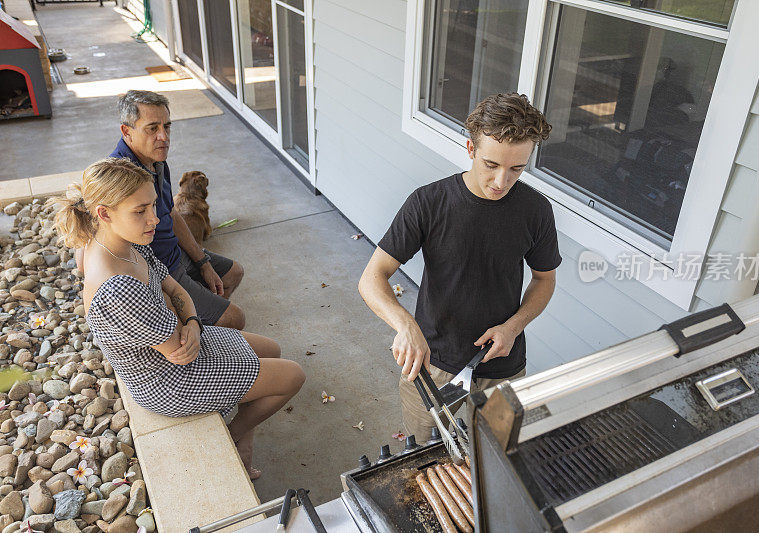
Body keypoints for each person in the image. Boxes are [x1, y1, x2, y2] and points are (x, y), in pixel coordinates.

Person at [50, 158, 305, 479]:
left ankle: (240, 422)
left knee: (272, 349)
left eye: (153, 205)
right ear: (104, 213)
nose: (154, 219)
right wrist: (184, 320)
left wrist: (193, 323)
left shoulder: (124, 243)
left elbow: (174, 289)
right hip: (167, 382)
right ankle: (236, 433)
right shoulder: (117, 287)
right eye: (140, 210)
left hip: (181, 345)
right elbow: (178, 351)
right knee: (293, 376)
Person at [358, 93, 561, 439]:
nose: (501, 182)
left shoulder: (536, 210)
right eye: (491, 165)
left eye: (517, 168)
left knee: (496, 459)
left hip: (504, 365)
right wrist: (405, 325)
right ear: (470, 149)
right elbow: (371, 278)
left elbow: (544, 280)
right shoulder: (428, 202)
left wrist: (513, 327)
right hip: (433, 363)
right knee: (426, 458)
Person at [77, 90, 246, 329]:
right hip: (161, 268)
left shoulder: (155, 160)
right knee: (235, 319)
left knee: (233, 273)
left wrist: (203, 261)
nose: (163, 137)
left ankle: (204, 327)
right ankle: (201, 335)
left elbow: (171, 213)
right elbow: (85, 248)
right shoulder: (117, 177)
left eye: (167, 126)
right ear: (127, 132)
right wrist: (159, 293)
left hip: (176, 253)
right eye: (152, 128)